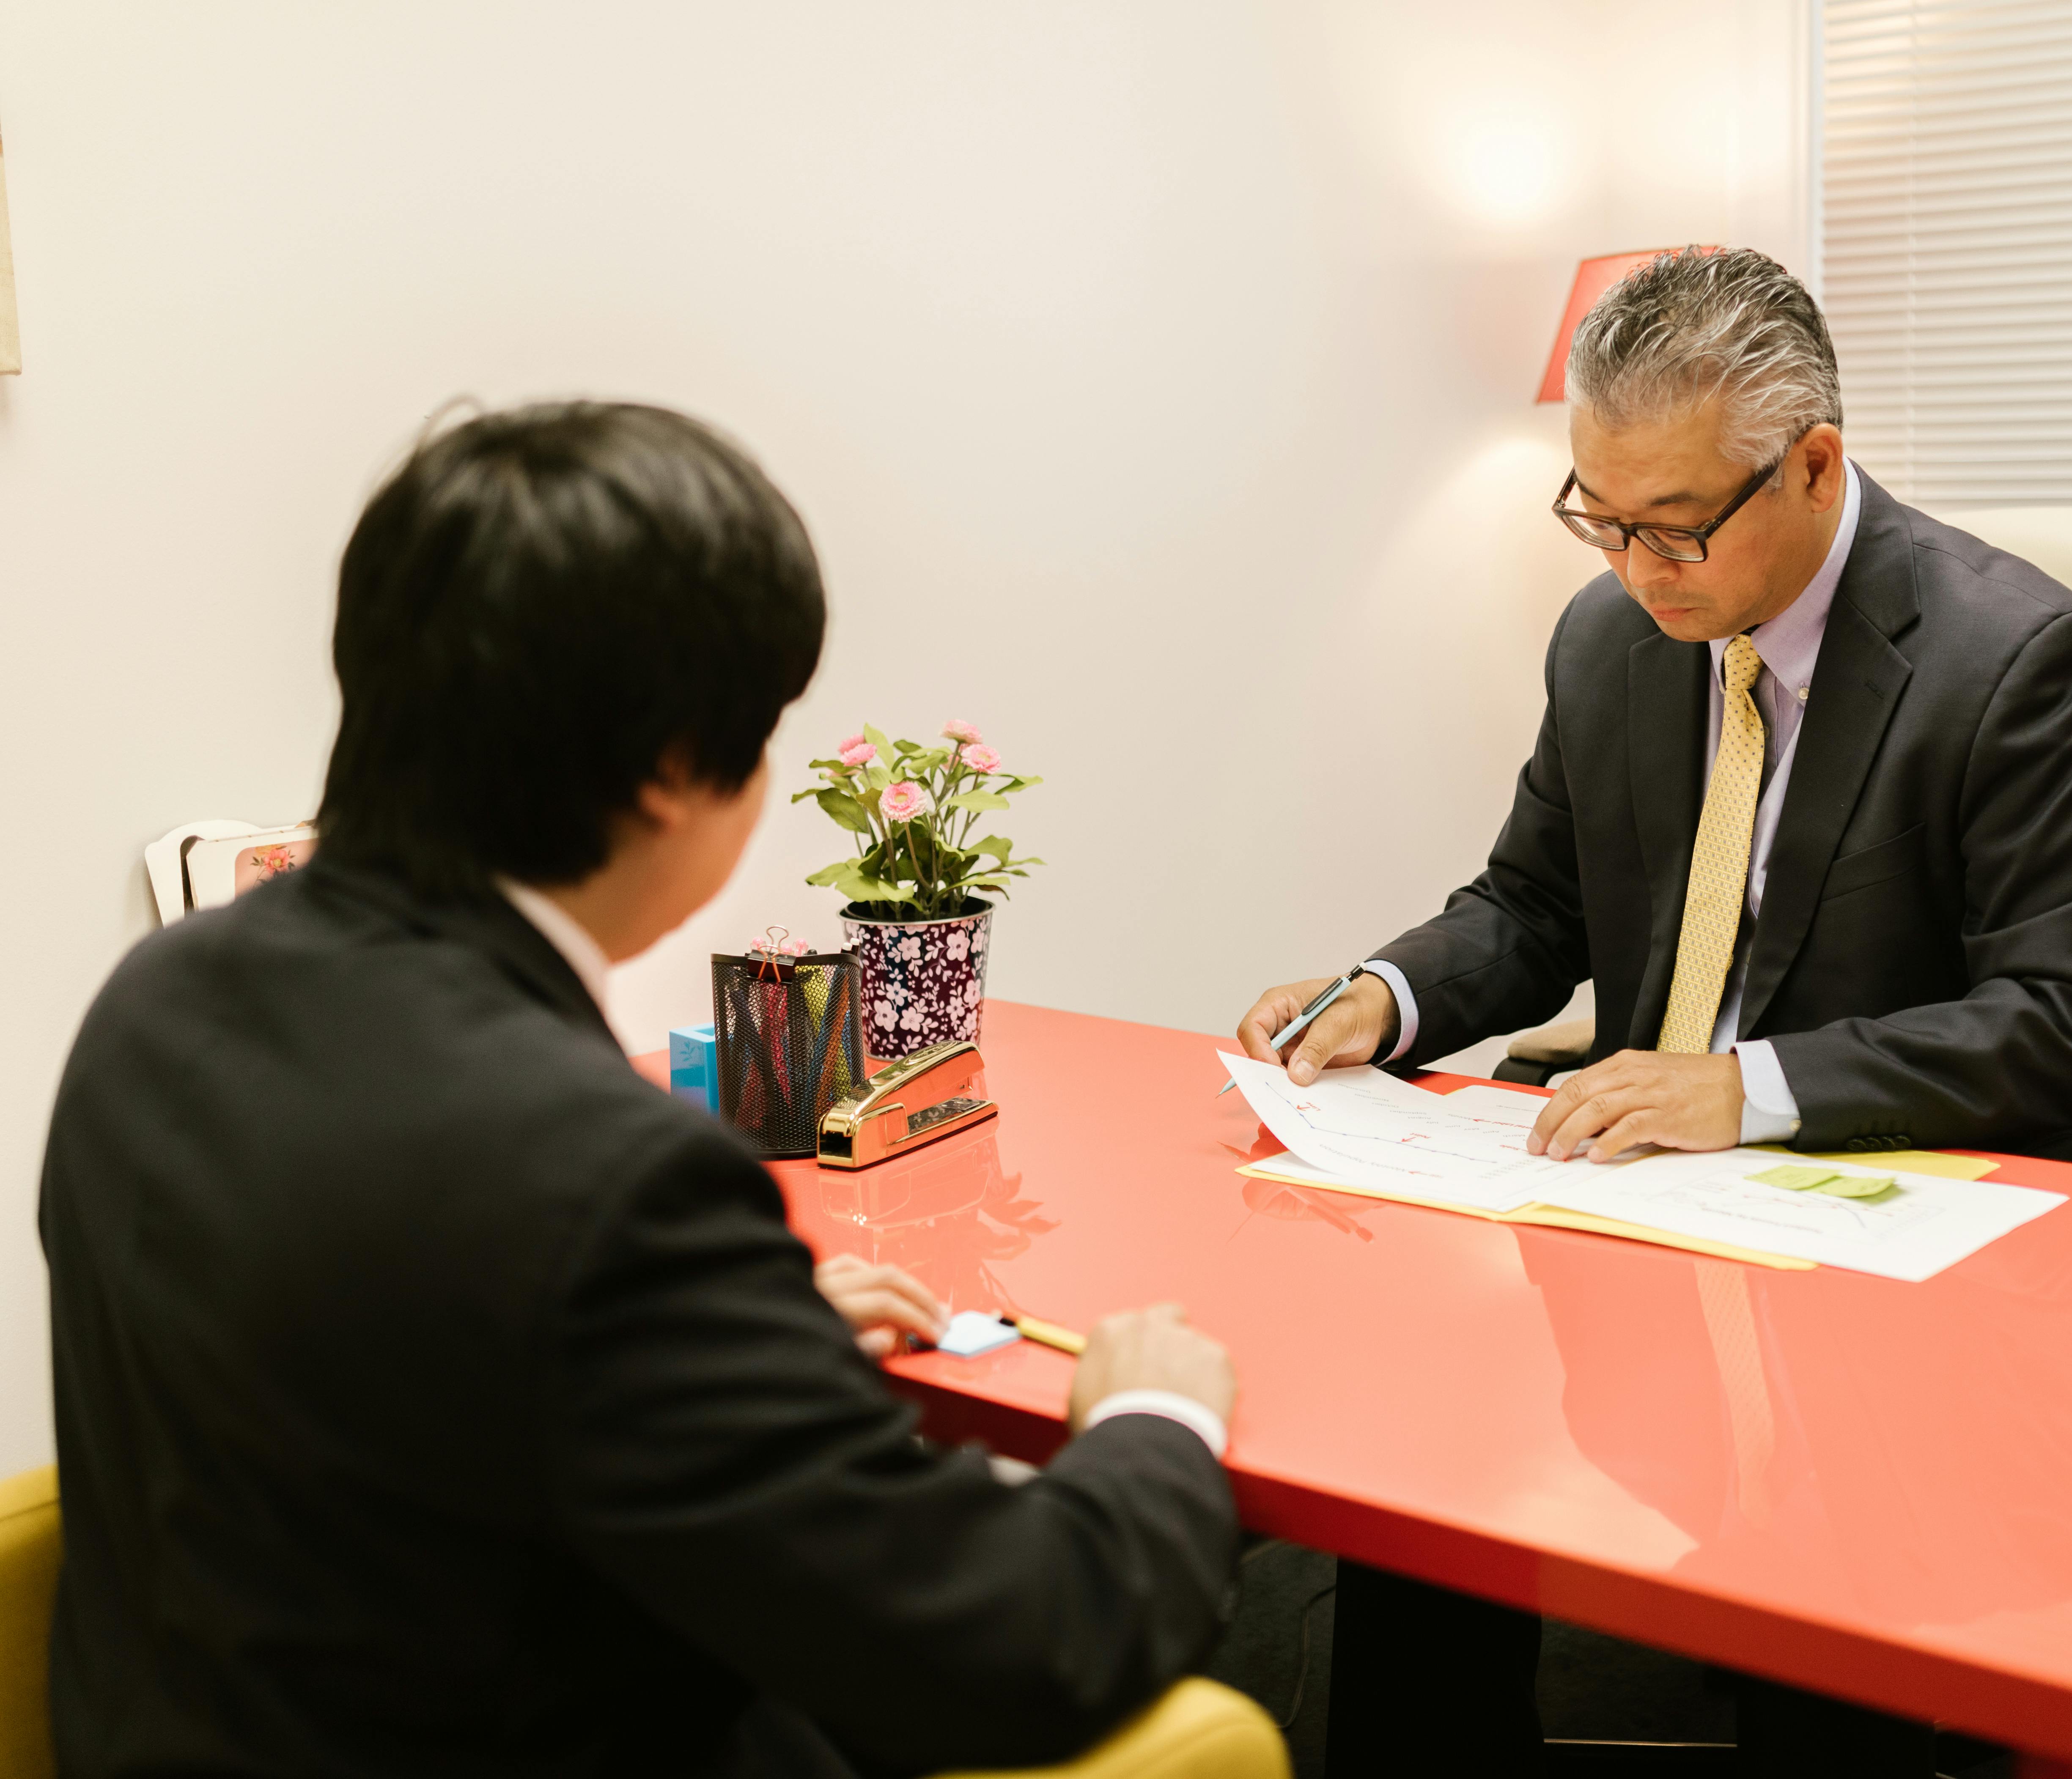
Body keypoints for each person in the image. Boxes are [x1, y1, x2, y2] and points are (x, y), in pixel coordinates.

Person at [42, 403, 1249, 1778]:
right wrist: (1157, 1419)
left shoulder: (164, 997)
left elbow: (389, 1355)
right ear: (676, 771)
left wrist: (728, 1349)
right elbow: (1024, 1643)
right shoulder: (597, 1185)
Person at [1233, 249, 2072, 1775]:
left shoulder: (2019, 661)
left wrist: (1744, 1087)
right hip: (1646, 1214)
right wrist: (1387, 995)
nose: (1633, 568)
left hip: (1885, 1225)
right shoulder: (1610, 640)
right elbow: (1533, 908)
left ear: (1814, 465)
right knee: (1410, 1470)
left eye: (1674, 527)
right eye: (1599, 521)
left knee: (1829, 1559)